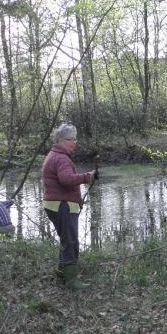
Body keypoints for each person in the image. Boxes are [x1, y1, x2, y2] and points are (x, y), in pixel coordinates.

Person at [42, 123, 98, 289]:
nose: (74, 142)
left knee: (66, 240)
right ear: (60, 140)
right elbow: (66, 179)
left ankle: (62, 272)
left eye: (75, 139)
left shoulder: (55, 154)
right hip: (62, 206)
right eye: (70, 139)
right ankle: (71, 281)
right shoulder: (61, 158)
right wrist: (87, 176)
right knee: (71, 241)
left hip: (55, 204)